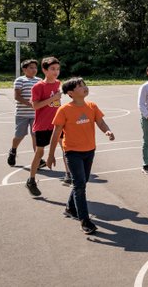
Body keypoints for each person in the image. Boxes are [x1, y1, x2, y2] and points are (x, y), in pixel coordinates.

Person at [47, 77, 115, 235]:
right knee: (80, 185)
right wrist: (50, 155)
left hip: (90, 150)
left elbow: (101, 122)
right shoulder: (64, 110)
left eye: (84, 84)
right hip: (72, 152)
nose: (84, 87)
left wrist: (107, 131)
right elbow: (56, 134)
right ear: (70, 93)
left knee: (81, 181)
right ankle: (84, 220)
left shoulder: (92, 106)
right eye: (80, 86)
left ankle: (71, 208)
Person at [25, 56, 62, 196]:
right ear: (44, 70)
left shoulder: (58, 83)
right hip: (42, 125)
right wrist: (53, 98)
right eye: (52, 69)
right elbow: (35, 106)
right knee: (39, 153)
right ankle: (31, 180)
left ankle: (70, 176)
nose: (56, 71)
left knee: (66, 147)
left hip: (57, 124)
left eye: (57, 69)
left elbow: (58, 104)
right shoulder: (38, 86)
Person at [7, 59, 39, 167]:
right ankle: (13, 150)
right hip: (22, 113)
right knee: (19, 135)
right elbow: (17, 96)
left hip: (36, 114)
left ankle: (38, 158)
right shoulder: (20, 80)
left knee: (36, 136)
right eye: (31, 67)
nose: (34, 69)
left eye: (35, 67)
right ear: (24, 69)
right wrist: (30, 104)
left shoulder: (39, 80)